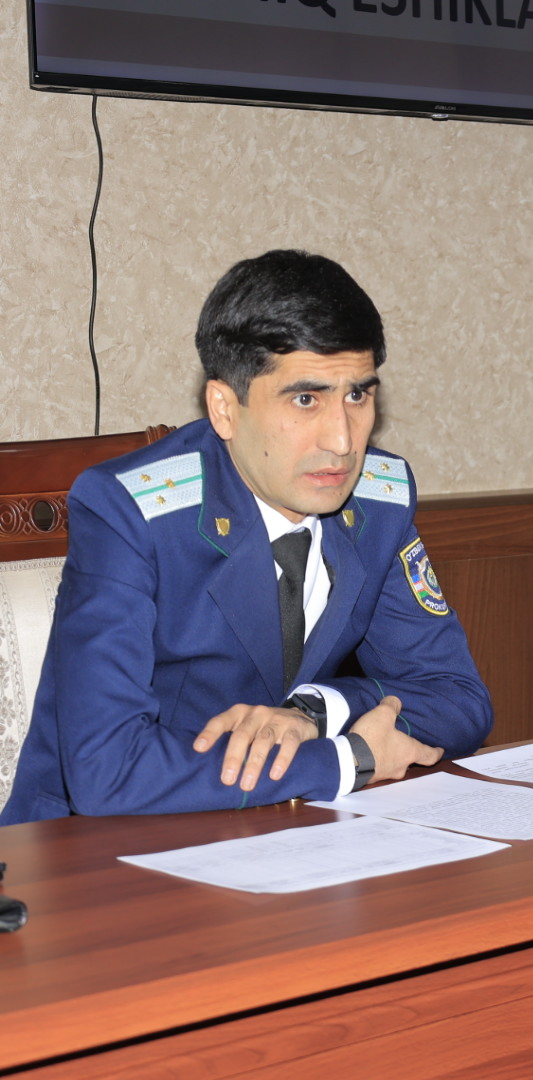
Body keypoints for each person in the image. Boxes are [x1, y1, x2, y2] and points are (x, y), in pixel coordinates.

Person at [1, 250, 493, 824]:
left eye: (357, 394)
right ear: (224, 408)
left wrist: (319, 710)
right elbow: (107, 772)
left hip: (281, 834)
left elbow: (458, 698)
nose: (341, 440)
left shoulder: (378, 500)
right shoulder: (129, 511)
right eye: (305, 399)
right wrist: (345, 758)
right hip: (96, 851)